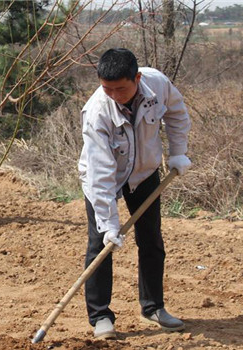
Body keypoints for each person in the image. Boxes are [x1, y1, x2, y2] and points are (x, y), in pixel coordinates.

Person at [78, 48, 192, 339]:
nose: (114, 95)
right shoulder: (96, 113)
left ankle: (153, 307)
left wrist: (178, 154)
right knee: (100, 245)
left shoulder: (157, 84)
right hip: (106, 178)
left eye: (121, 88)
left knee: (151, 239)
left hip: (144, 174)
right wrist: (108, 224)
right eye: (107, 88)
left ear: (137, 78)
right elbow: (100, 173)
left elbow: (178, 114)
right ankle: (101, 315)